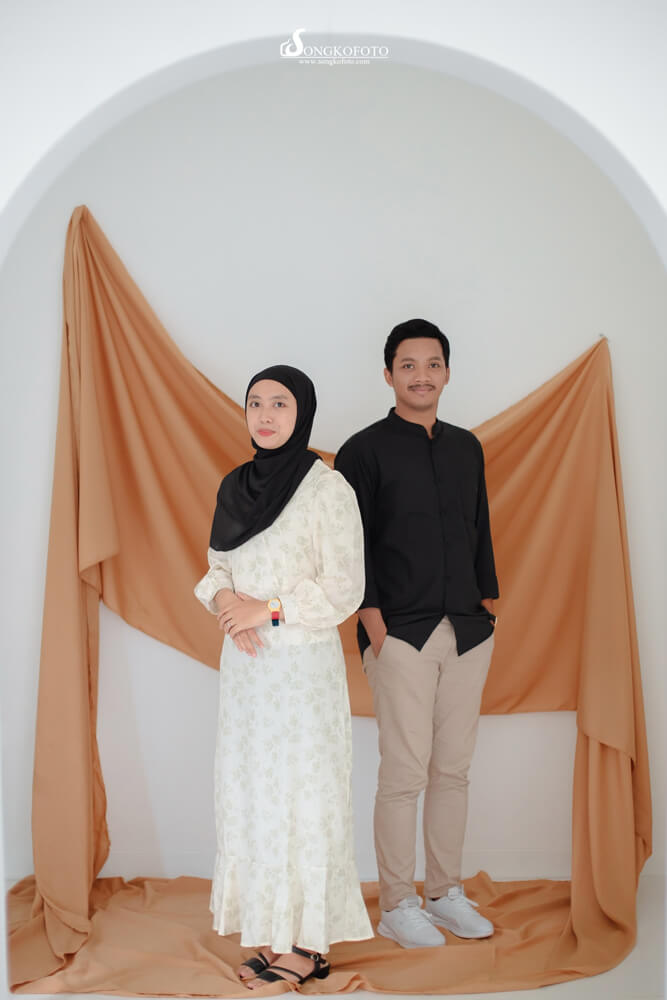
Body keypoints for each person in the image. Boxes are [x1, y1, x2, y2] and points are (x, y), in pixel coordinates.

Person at [194, 365, 373, 987]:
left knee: (305, 796)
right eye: (255, 403)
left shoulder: (328, 490)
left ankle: (308, 945)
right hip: (247, 675)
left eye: (280, 404)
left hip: (301, 675)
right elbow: (217, 567)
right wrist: (227, 605)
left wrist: (263, 611)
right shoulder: (234, 486)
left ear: (304, 413)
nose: (265, 415)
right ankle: (271, 933)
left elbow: (344, 588)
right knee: (254, 794)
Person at [334, 319, 498, 950]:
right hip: (400, 633)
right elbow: (351, 548)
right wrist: (375, 628)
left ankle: (445, 892)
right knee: (404, 774)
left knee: (453, 770)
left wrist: (486, 607)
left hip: (469, 630)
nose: (421, 375)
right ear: (389, 375)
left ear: (447, 373)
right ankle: (398, 903)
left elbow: (480, 528)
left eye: (433, 364)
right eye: (408, 365)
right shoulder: (362, 451)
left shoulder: (467, 447)